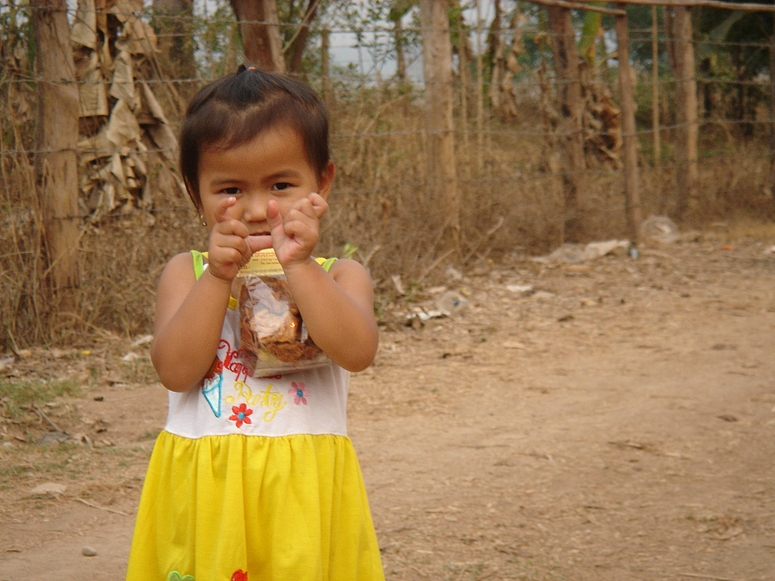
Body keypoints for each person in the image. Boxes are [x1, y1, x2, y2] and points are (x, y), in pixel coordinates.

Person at [125, 65, 384, 581]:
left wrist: (301, 266)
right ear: (195, 193)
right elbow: (176, 372)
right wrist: (219, 277)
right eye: (229, 190)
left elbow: (356, 353)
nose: (259, 209)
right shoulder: (188, 273)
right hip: (209, 491)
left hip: (303, 490)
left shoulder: (341, 276)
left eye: (282, 184)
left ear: (323, 181)